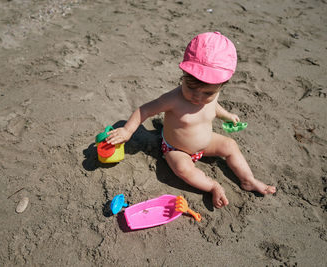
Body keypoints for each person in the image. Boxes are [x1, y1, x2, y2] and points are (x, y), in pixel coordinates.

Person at [106, 32, 276, 208]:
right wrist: (127, 130)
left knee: (230, 145)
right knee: (182, 169)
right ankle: (212, 186)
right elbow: (145, 110)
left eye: (208, 93)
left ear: (222, 84)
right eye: (191, 87)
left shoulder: (214, 94)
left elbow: (214, 107)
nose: (198, 97)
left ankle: (248, 180)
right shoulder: (173, 99)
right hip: (176, 149)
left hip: (206, 142)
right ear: (183, 74)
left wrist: (226, 115)